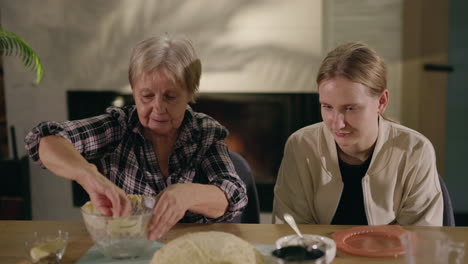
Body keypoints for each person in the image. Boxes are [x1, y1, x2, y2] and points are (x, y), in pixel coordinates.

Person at [25, 35, 248, 239]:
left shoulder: (205, 132)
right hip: (126, 249)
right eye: (147, 96)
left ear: (190, 93)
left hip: (192, 250)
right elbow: (46, 141)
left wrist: (187, 195)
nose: (158, 107)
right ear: (133, 91)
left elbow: (234, 196)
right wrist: (89, 176)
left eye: (170, 97)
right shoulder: (118, 127)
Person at [272, 42, 443, 226]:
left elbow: (421, 239)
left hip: (389, 256)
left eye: (351, 108)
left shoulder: (415, 150)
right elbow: (290, 230)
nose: (337, 123)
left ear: (382, 102)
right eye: (327, 107)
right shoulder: (301, 145)